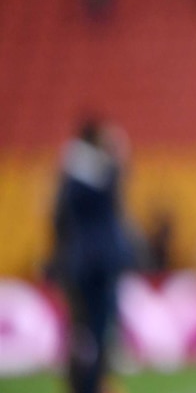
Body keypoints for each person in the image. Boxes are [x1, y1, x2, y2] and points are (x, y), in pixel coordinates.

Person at [51, 118, 135, 393]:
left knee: (82, 329)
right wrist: (116, 154)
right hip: (97, 264)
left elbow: (59, 220)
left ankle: (82, 383)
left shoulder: (70, 178)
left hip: (76, 262)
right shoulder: (100, 174)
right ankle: (92, 384)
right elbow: (113, 188)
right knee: (96, 328)